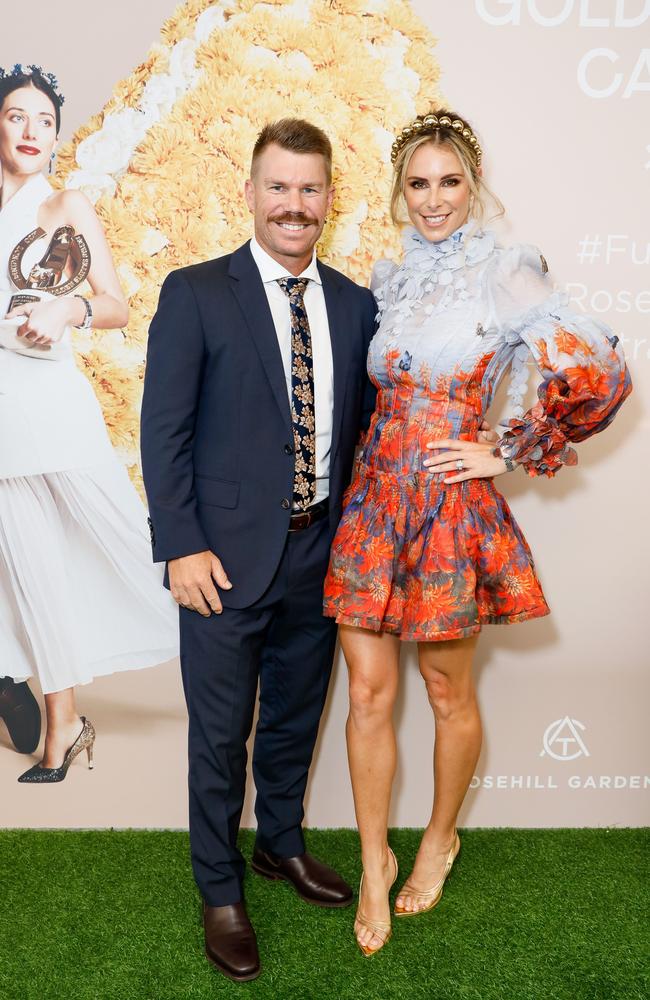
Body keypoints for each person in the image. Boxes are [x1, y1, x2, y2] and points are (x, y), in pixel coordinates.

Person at [323, 109, 632, 956]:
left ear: (473, 183)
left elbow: (600, 372)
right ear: (398, 191)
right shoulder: (382, 281)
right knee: (368, 695)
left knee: (448, 693)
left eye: (449, 181)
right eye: (418, 184)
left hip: (450, 510)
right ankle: (374, 860)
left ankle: (438, 839)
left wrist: (506, 447)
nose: (433, 200)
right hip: (372, 505)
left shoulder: (506, 271)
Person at [140, 118, 380, 983]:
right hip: (222, 562)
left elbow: (358, 434)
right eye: (278, 187)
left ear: (328, 199)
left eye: (310, 189)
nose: (294, 204)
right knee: (219, 734)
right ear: (249, 193)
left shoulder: (355, 304)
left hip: (320, 555)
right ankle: (221, 889)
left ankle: (280, 845)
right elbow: (162, 432)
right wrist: (181, 547)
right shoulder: (196, 292)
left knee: (292, 718)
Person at [0, 65, 178, 784]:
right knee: (32, 569)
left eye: (44, 120)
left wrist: (65, 310)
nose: (32, 131)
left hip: (51, 403)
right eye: (17, 116)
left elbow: (115, 304)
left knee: (130, 541)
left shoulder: (66, 204)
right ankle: (61, 724)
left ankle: (239, 640)